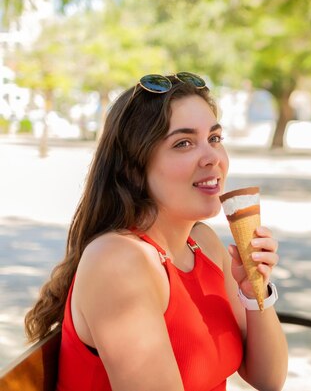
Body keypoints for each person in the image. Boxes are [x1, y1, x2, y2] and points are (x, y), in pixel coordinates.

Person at [24, 72, 288, 391]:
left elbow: (268, 379)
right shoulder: (119, 261)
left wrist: (254, 290)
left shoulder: (204, 243)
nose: (213, 159)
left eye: (214, 138)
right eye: (183, 143)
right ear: (133, 170)